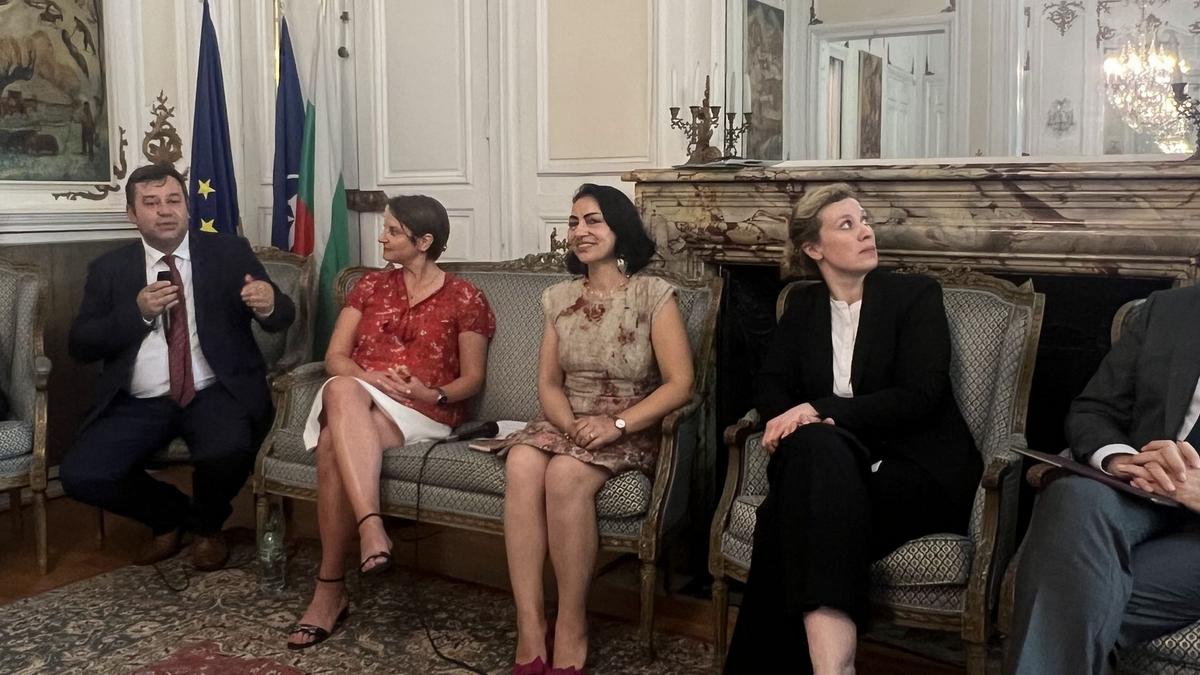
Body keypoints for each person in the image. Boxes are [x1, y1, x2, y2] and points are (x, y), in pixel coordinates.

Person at [723, 183, 981, 675]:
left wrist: (819, 410)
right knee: (819, 464)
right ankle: (833, 668)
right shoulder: (802, 308)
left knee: (792, 515)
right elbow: (771, 387)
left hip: (914, 471)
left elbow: (921, 394)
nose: (866, 231)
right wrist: (808, 421)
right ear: (814, 249)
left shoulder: (914, 296)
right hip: (831, 467)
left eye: (864, 220)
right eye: (847, 224)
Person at [486, 183, 693, 675]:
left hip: (630, 424)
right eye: (574, 222)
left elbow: (681, 384)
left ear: (619, 227)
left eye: (593, 220)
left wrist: (615, 424)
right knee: (521, 461)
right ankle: (530, 624)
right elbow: (548, 384)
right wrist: (571, 425)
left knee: (564, 475)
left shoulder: (652, 295)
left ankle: (572, 622)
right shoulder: (557, 298)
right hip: (567, 420)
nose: (580, 231)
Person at [61, 162, 295, 571]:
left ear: (188, 207)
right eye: (151, 203)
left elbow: (281, 317)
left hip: (213, 389)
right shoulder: (109, 269)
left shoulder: (229, 252)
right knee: (82, 474)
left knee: (229, 450)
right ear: (132, 215)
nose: (165, 210)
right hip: (139, 399)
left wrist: (269, 302)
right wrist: (137, 313)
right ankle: (171, 516)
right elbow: (81, 345)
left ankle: (207, 528)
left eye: (173, 200)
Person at [286, 194, 495, 650]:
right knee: (342, 388)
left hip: (424, 410)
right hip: (359, 396)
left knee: (331, 445)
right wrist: (369, 377)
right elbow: (335, 358)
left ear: (424, 241)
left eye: (393, 230)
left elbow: (472, 379)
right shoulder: (368, 286)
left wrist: (429, 393)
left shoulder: (465, 297)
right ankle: (371, 526)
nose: (381, 237)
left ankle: (329, 589)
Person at [1006, 286, 1200, 674]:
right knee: (1073, 495)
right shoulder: (1168, 309)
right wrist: (1121, 459)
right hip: (1139, 492)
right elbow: (1093, 409)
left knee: (1063, 593)